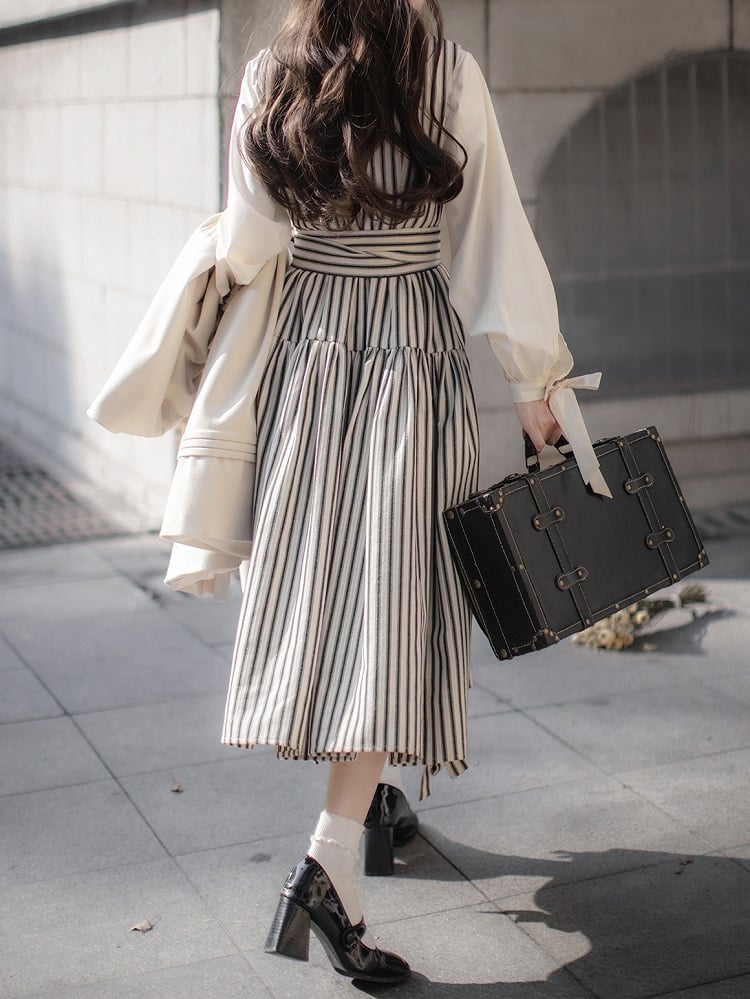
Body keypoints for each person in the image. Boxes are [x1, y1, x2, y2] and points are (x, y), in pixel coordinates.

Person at [88, 0, 609, 985]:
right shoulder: (443, 70)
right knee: (395, 596)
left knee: (334, 583)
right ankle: (330, 866)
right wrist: (537, 383)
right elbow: (493, 235)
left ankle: (370, 807)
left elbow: (248, 244)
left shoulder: (272, 73)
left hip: (304, 357)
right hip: (408, 354)